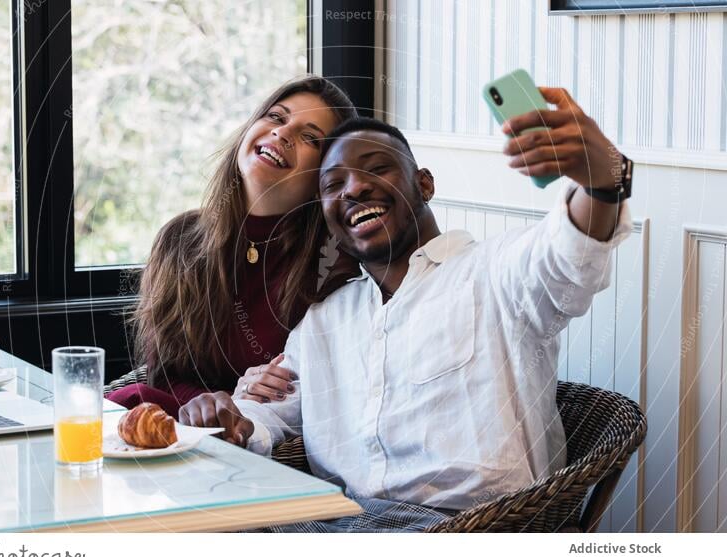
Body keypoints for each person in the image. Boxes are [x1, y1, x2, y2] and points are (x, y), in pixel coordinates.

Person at [179, 87, 634, 531]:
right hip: (332, 523)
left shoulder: (497, 274)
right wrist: (229, 417)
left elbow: (570, 251)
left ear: (424, 184)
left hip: (467, 532)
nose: (354, 189)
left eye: (376, 169)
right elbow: (268, 415)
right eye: (333, 185)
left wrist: (602, 177)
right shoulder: (322, 321)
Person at [106, 76, 358, 421]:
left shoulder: (334, 263)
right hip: (182, 425)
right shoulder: (179, 240)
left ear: (324, 177)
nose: (282, 134)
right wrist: (214, 401)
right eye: (276, 117)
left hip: (265, 439)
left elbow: (324, 387)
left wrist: (245, 404)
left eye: (309, 137)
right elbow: (165, 373)